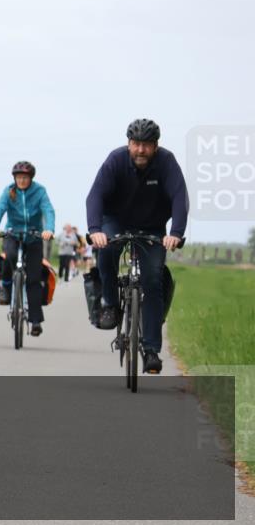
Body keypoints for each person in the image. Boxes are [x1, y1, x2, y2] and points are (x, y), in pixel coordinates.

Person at [86, 118, 187, 375]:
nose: (140, 150)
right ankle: (109, 304)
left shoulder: (167, 162)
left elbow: (179, 197)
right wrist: (95, 230)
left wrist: (175, 233)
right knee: (106, 251)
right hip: (115, 220)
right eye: (136, 144)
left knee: (152, 280)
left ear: (155, 146)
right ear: (128, 143)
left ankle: (151, 350)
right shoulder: (115, 160)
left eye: (146, 145)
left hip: (152, 226)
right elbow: (95, 195)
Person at [0, 161, 56, 337]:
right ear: (14, 178)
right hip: (13, 234)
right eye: (19, 177)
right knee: (9, 255)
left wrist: (49, 229)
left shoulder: (39, 191)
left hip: (34, 237)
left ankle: (35, 321)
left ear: (31, 178)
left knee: (33, 278)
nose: (22, 181)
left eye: (25, 178)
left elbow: (48, 210)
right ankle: (7, 286)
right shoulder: (9, 191)